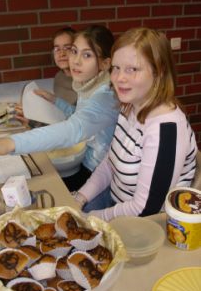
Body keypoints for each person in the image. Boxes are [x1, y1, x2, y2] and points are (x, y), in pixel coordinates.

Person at [0, 25, 119, 191]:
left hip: (98, 175)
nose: (76, 60)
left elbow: (74, 129)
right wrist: (55, 101)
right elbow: (81, 116)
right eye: (74, 51)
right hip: (85, 162)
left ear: (105, 63)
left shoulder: (105, 96)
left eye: (87, 55)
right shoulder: (89, 84)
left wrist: (9, 143)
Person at [73, 27, 197, 221]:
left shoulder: (166, 129)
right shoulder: (129, 105)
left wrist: (94, 218)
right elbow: (110, 163)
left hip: (144, 223)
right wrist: (80, 198)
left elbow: (146, 208)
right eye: (116, 68)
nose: (119, 78)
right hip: (115, 201)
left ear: (159, 72)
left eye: (133, 69)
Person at [15, 27, 77, 127]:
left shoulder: (83, 83)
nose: (61, 54)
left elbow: (72, 125)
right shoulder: (59, 77)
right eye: (57, 49)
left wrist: (33, 123)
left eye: (67, 48)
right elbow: (58, 115)